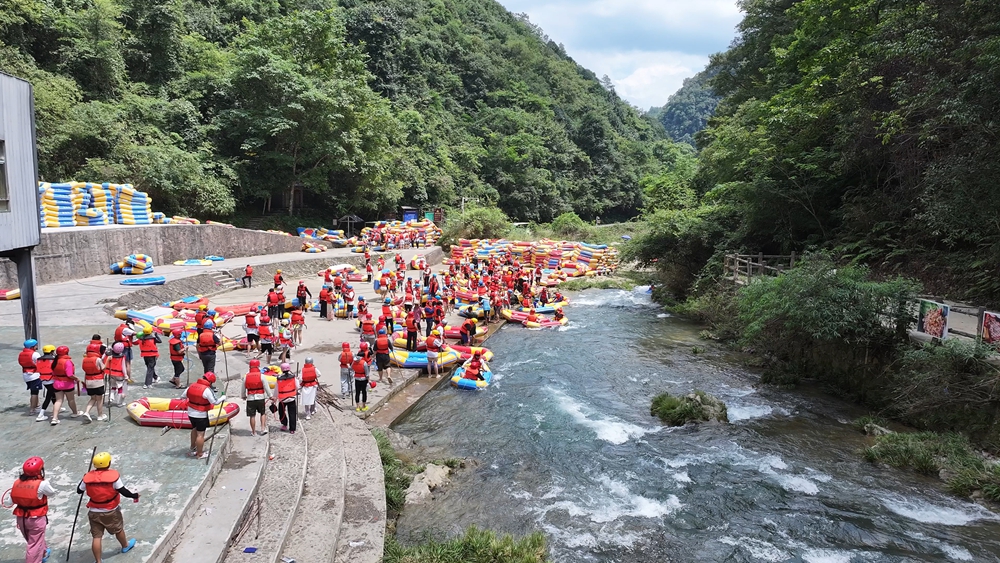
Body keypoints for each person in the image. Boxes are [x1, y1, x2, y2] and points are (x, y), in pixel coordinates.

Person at [77, 452, 138, 563]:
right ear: (109, 463)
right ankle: (125, 546)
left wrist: (85, 478)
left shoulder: (87, 477)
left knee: (96, 537)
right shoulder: (113, 478)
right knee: (118, 529)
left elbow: (79, 490)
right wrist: (134, 495)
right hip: (110, 511)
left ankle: (98, 561)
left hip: (93, 512)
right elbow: (124, 492)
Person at [11, 456, 54, 563]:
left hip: (21, 519)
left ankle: (44, 552)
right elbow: (52, 493)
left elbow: (8, 501)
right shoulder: (42, 484)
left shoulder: (17, 483)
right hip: (36, 519)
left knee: (34, 540)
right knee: (34, 544)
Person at [186, 372, 226, 459]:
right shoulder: (207, 390)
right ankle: (199, 454)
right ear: (210, 382)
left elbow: (183, 396)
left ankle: (192, 448)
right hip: (201, 414)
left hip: (190, 413)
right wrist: (223, 398)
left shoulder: (192, 385)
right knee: (200, 434)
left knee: (194, 429)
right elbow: (214, 402)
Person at [50, 346, 81, 425]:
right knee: (71, 399)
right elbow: (69, 374)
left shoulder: (55, 361)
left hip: (57, 383)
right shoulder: (67, 362)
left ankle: (54, 418)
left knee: (58, 400)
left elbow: (53, 373)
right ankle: (75, 413)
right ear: (67, 352)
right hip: (67, 384)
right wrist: (76, 378)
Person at [241, 359, 273, 437]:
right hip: (260, 397)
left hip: (250, 398)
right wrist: (270, 396)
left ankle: (253, 432)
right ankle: (262, 429)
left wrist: (243, 396)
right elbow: (266, 387)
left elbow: (243, 388)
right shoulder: (261, 376)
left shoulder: (246, 376)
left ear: (250, 366)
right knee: (262, 413)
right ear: (258, 366)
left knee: (252, 415)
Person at [81, 342, 107, 422]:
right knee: (99, 399)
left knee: (93, 398)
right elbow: (103, 368)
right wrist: (108, 360)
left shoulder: (84, 359)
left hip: (88, 381)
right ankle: (100, 415)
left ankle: (87, 412)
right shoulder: (97, 359)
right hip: (98, 380)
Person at [19, 339, 42, 416]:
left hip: (25, 375)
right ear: (32, 347)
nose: (36, 346)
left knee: (34, 391)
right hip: (34, 375)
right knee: (34, 392)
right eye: (35, 345)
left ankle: (37, 404)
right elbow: (40, 364)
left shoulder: (21, 354)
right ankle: (32, 409)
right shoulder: (35, 354)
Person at [35, 345, 57, 422]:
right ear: (51, 351)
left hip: (43, 380)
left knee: (52, 394)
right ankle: (41, 414)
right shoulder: (54, 359)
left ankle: (57, 407)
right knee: (49, 396)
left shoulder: (39, 359)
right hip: (52, 380)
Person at [276, 363, 298, 434]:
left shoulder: (279, 378)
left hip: (282, 399)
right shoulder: (293, 377)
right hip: (291, 398)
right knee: (292, 413)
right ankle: (292, 429)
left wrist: (274, 398)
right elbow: (297, 386)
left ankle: (284, 424)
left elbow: (276, 389)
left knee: (281, 412)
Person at [106, 343, 128, 407]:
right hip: (119, 375)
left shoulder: (110, 355)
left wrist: (109, 349)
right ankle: (119, 403)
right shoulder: (122, 357)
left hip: (111, 374)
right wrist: (126, 375)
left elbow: (104, 355)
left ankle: (110, 399)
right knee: (120, 388)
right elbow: (123, 367)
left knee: (113, 387)